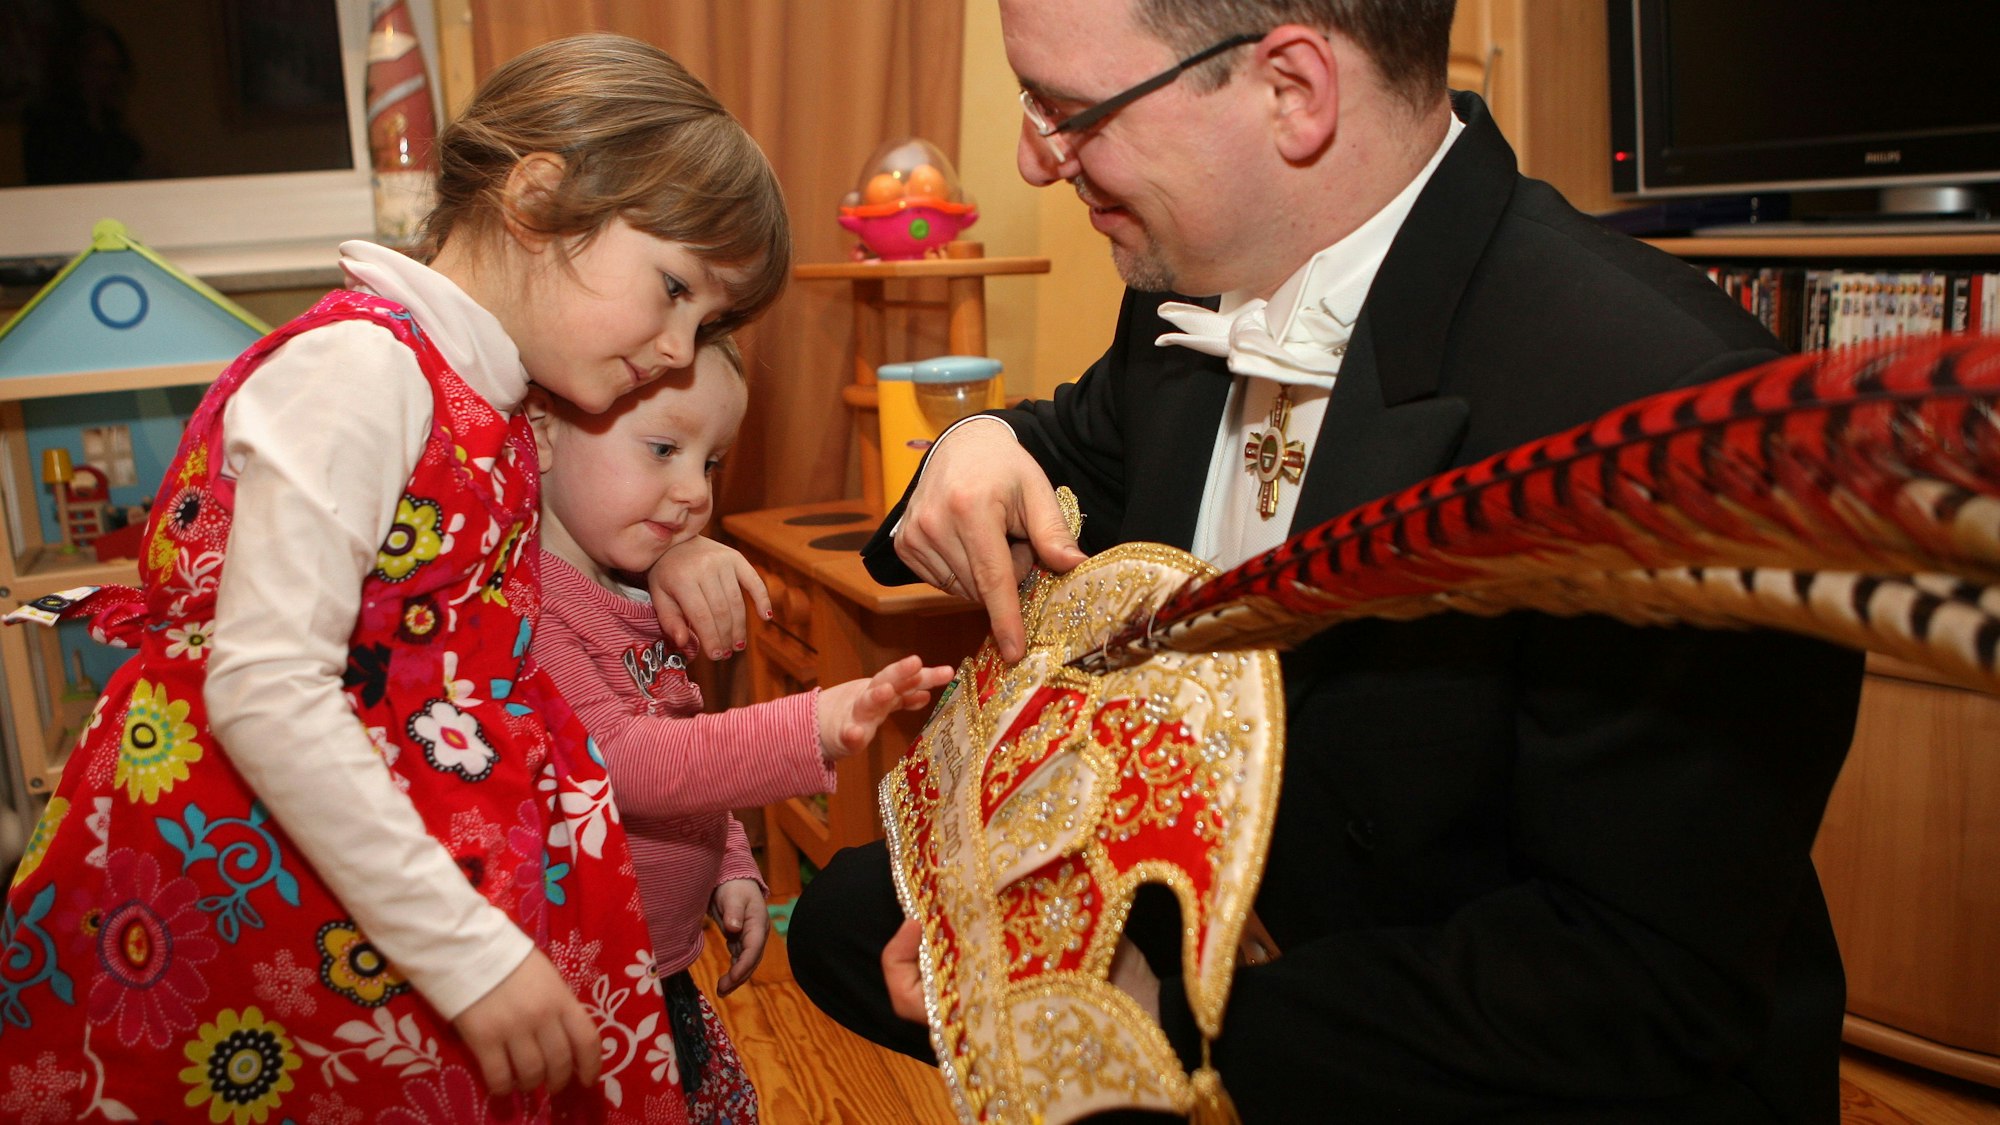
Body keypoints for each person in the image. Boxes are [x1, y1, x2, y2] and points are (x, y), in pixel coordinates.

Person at [786, 2, 1866, 1121]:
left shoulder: (1668, 415)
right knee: (844, 925)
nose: (1031, 155)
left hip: (1496, 1024)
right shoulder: (1189, 272)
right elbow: (1076, 440)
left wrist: (1144, 1021)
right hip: (1247, 885)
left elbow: (1633, 985)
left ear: (1291, 91)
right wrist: (976, 441)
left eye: (1069, 111)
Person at [0, 34, 789, 1124]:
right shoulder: (361, 369)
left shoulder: (494, 390)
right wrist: (466, 956)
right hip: (264, 880)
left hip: (390, 888)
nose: (674, 349)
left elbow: (554, 581)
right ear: (537, 200)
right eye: (672, 291)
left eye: (705, 325)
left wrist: (687, 546)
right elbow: (266, 689)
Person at [525, 337, 955, 1122]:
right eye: (663, 449)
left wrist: (728, 860)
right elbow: (621, 760)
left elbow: (684, 726)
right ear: (544, 430)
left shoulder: (636, 585)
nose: (692, 492)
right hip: (587, 994)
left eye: (710, 462)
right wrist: (811, 725)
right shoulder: (533, 614)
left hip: (665, 973)